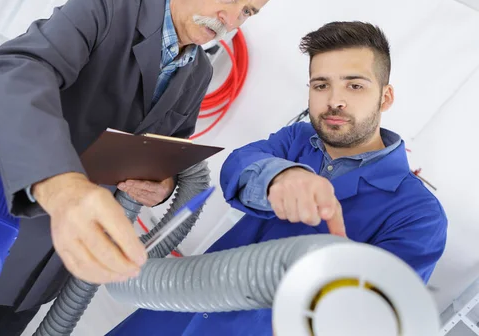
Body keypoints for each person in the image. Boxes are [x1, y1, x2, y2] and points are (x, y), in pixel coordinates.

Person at [0, 0, 280, 334]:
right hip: (6, 198)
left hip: (71, 242)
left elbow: (168, 150)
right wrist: (61, 187)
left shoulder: (197, 72)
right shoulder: (106, 4)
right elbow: (15, 71)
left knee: (10, 319)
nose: (231, 18)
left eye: (247, 10)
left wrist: (163, 185)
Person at [107, 21, 448, 335]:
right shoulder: (298, 140)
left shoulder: (419, 215)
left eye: (355, 85)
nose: (335, 101)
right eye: (321, 85)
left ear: (385, 97)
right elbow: (239, 165)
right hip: (169, 316)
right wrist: (279, 177)